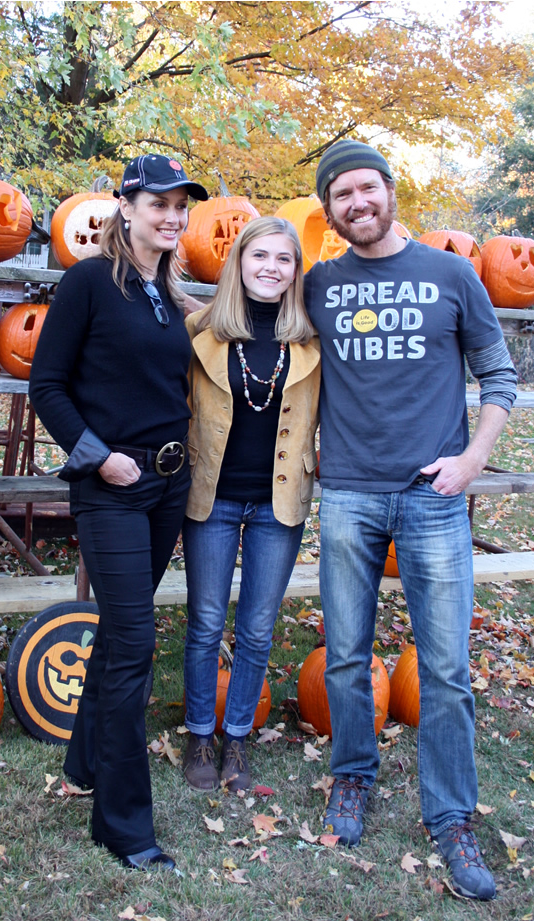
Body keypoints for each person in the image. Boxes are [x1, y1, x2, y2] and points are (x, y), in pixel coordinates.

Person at [304, 139, 517, 900]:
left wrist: (471, 462)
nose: (356, 203)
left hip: (434, 496)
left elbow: (499, 376)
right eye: (341, 195)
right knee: (345, 655)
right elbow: (242, 311)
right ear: (329, 210)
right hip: (351, 494)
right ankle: (352, 776)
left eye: (366, 188)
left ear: (390, 191)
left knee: (448, 670)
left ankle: (452, 812)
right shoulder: (319, 284)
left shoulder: (451, 273)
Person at [29, 153, 208, 872]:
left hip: (169, 484)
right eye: (156, 203)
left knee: (120, 631)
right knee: (135, 639)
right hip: (112, 484)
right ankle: (125, 824)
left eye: (179, 206)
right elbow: (46, 386)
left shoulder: (168, 290)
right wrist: (100, 455)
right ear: (124, 207)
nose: (170, 215)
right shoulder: (87, 283)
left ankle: (82, 761)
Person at [182, 216, 320, 793]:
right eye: (259, 255)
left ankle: (237, 736)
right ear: (238, 261)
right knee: (207, 623)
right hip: (211, 496)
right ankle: (197, 734)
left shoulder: (313, 339)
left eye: (284, 259)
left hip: (278, 502)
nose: (271, 267)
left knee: (259, 628)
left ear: (295, 270)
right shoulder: (199, 329)